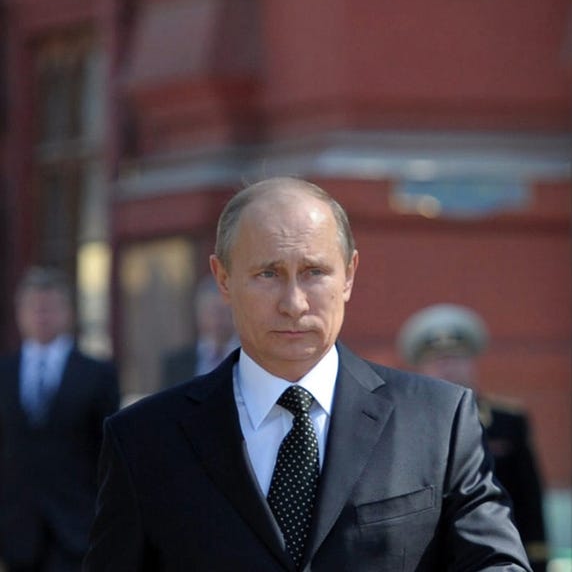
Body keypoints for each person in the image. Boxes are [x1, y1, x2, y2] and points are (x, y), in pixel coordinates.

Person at [84, 177, 530, 571]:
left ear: (349, 275)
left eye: (314, 272)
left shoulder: (437, 420)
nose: (294, 303)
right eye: (268, 274)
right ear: (223, 279)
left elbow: (495, 562)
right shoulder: (144, 440)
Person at [399, 304, 550, 572]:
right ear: (420, 368)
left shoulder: (507, 421)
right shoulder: (403, 424)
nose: (448, 368)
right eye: (438, 360)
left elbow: (529, 499)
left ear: (472, 363)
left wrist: (537, 558)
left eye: (456, 358)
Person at [0, 266, 120, 572]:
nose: (41, 316)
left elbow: (109, 455)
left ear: (67, 312)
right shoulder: (4, 373)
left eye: (49, 307)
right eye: (34, 307)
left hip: (77, 528)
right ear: (19, 313)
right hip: (16, 532)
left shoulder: (97, 374)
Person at [159, 276, 239, 388]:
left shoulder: (251, 359)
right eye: (212, 312)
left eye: (224, 312)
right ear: (199, 315)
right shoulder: (176, 364)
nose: (218, 321)